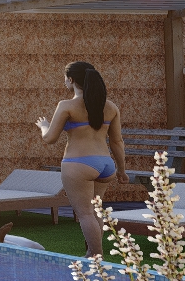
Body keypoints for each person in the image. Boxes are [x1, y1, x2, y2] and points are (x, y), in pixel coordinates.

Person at [37, 60, 130, 258]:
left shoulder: (67, 106)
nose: (64, 81)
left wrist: (44, 125)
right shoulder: (111, 107)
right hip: (106, 165)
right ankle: (92, 251)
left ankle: (95, 256)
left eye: (65, 78)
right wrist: (122, 170)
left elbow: (50, 138)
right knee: (96, 211)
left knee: (85, 213)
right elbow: (117, 142)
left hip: (79, 164)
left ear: (71, 80)